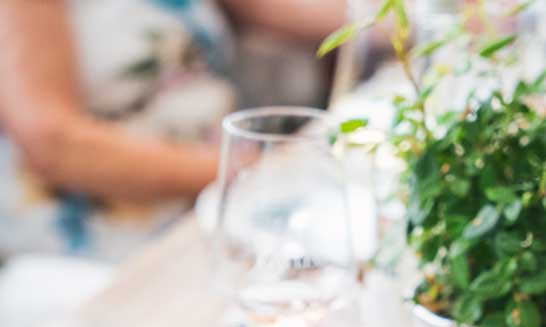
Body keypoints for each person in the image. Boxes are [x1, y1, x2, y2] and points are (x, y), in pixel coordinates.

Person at [0, 0, 347, 262]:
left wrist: (373, 18)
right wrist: (254, 170)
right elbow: (53, 144)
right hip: (101, 243)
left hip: (219, 200)